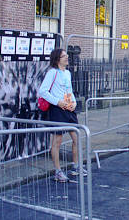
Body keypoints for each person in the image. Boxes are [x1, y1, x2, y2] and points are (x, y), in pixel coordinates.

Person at [39, 48, 86, 182]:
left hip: (69, 109)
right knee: (57, 141)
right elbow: (42, 91)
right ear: (57, 59)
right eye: (64, 56)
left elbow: (69, 90)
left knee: (76, 137)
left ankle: (75, 166)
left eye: (66, 55)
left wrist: (74, 103)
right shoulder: (52, 73)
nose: (67, 58)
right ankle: (58, 171)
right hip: (57, 110)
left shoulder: (68, 73)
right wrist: (57, 102)